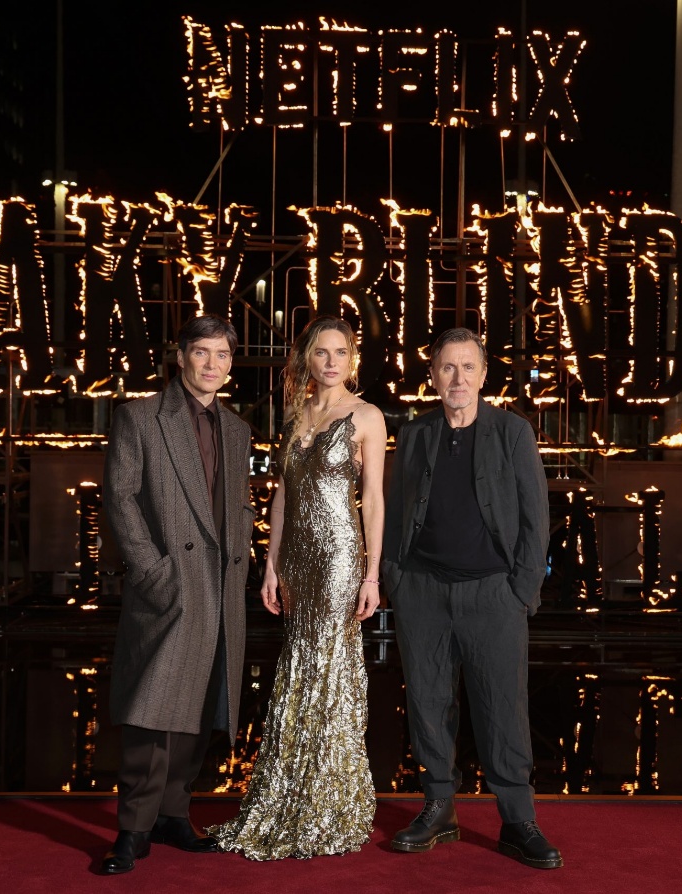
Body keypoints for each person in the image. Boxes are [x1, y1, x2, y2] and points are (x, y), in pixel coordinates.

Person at [382, 327, 563, 870]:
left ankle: (517, 819)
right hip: (422, 592)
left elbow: (536, 519)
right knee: (429, 705)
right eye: (447, 368)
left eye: (468, 368)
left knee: (503, 707)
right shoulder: (415, 434)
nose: (457, 378)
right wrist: (396, 578)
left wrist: (521, 593)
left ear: (484, 375)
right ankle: (439, 807)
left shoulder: (513, 432)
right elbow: (394, 510)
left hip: (494, 595)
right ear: (433, 375)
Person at [210, 315, 385, 859]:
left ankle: (329, 800)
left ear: (351, 359)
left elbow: (374, 500)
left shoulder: (367, 416)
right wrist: (270, 564)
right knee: (298, 668)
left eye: (339, 352)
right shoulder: (296, 416)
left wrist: (372, 572)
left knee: (327, 667)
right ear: (306, 360)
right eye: (320, 353)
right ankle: (290, 791)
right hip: (298, 561)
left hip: (338, 559)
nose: (330, 362)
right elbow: (282, 495)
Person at [99, 314, 256, 875]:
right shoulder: (141, 417)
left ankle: (172, 814)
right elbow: (119, 498)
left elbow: (237, 503)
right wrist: (151, 570)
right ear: (181, 356)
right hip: (171, 583)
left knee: (203, 702)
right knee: (153, 710)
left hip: (220, 585)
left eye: (222, 355)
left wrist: (243, 557)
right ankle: (133, 828)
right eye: (202, 353)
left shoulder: (236, 429)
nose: (212, 364)